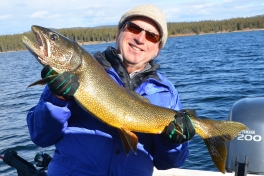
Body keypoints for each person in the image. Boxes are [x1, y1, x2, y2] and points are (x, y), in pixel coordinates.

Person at [27, 4, 195, 176]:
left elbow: (169, 163)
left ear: (158, 49)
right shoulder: (74, 76)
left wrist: (173, 142)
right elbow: (41, 137)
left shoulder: (167, 93)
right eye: (133, 28)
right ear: (118, 33)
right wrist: (56, 99)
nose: (140, 39)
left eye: (152, 36)